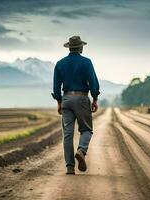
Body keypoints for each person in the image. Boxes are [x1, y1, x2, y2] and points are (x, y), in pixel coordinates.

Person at [51, 36, 100, 175]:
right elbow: (93, 83)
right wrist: (95, 98)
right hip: (82, 98)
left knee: (67, 134)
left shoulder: (60, 64)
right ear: (80, 48)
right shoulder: (86, 62)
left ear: (69, 47)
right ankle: (81, 150)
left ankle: (70, 168)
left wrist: (59, 102)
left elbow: (56, 87)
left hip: (66, 98)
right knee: (86, 130)